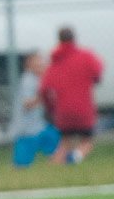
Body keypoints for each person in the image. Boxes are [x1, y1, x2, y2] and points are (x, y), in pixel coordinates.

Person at [39, 27, 103, 165]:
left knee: (64, 143)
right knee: (86, 142)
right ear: (74, 38)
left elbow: (44, 88)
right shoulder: (86, 56)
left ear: (59, 40)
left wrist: (50, 107)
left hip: (63, 111)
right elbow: (98, 71)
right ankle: (75, 157)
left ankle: (55, 164)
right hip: (83, 109)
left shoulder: (55, 61)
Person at [12, 53, 60, 168]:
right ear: (29, 65)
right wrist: (42, 97)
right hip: (26, 130)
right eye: (37, 63)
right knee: (21, 165)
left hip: (39, 127)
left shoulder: (39, 79)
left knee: (57, 145)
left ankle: (59, 162)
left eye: (42, 62)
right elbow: (27, 104)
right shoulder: (28, 80)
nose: (42, 65)